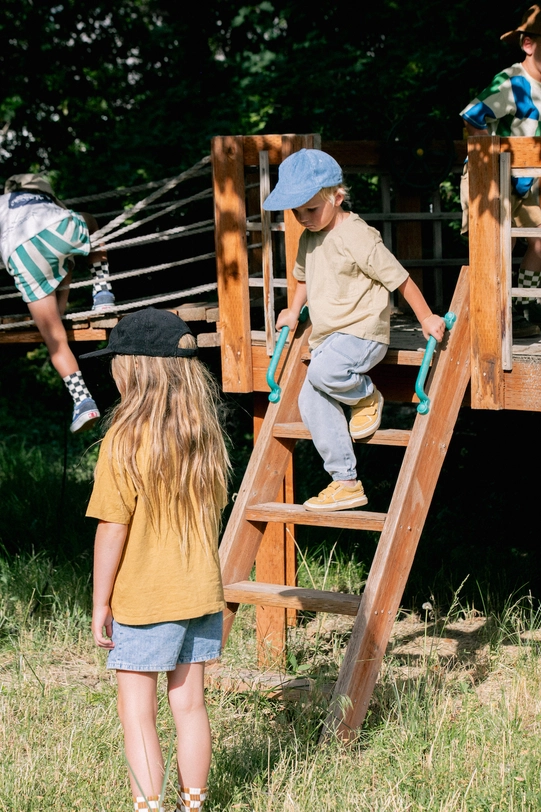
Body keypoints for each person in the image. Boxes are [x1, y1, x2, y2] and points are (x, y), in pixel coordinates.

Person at [83, 307, 229, 812]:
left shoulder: (123, 441)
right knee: (190, 707)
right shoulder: (205, 440)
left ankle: (148, 807)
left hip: (147, 601)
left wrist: (101, 601)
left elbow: (111, 527)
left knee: (137, 714)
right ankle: (194, 804)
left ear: (136, 369)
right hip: (201, 597)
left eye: (117, 363)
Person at [263, 149, 446, 512]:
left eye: (311, 210)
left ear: (337, 197)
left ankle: (366, 396)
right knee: (309, 399)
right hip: (330, 338)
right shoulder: (310, 237)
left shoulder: (358, 235)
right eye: (296, 213)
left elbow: (400, 279)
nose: (304, 219)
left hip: (363, 335)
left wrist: (426, 318)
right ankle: (345, 481)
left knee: (322, 371)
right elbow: (302, 278)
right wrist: (293, 310)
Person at [0, 173, 116, 433]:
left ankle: (83, 400)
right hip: (59, 231)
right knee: (90, 222)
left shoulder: (3, 204)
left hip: (21, 253)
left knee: (55, 341)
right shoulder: (49, 203)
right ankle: (102, 290)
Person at [460, 4, 541, 338]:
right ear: (529, 44)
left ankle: (525, 306)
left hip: (531, 180)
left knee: (539, 239)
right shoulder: (512, 82)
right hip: (496, 178)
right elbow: (473, 115)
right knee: (495, 246)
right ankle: (492, 313)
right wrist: (489, 163)